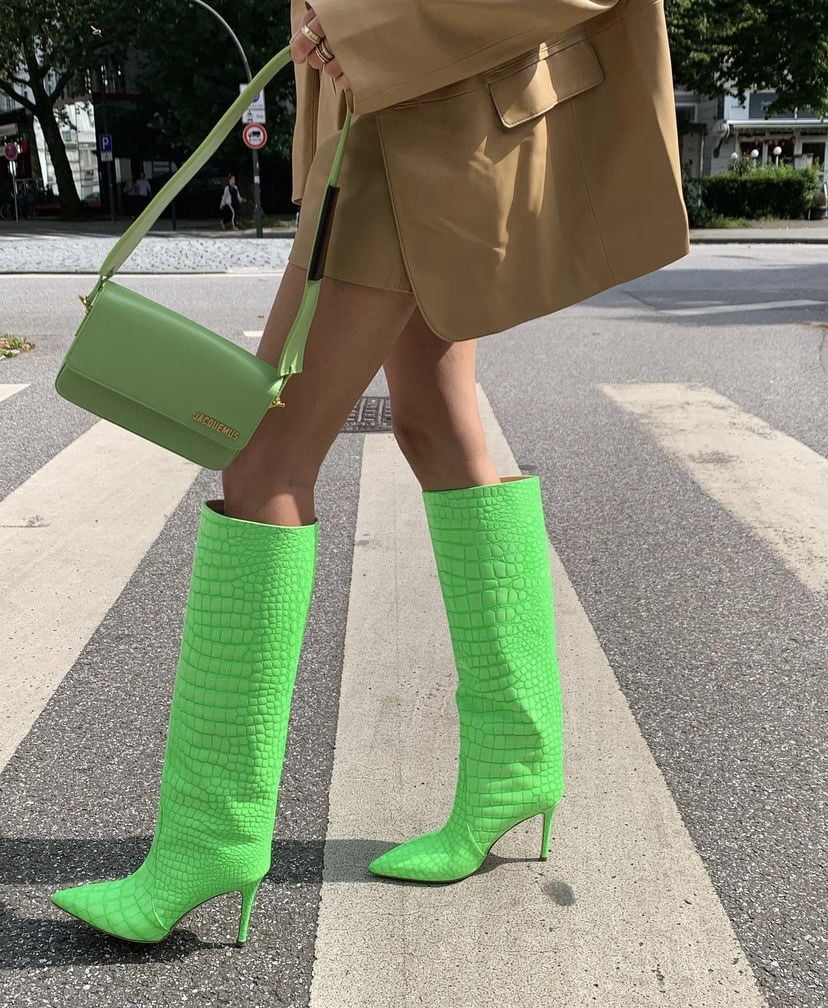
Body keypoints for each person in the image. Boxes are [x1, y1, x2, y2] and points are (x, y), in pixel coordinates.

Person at [50, 0, 690, 945]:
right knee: (434, 420)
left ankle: (207, 837)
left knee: (264, 452)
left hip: (419, 118)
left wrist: (356, 23)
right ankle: (517, 757)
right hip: (417, 123)